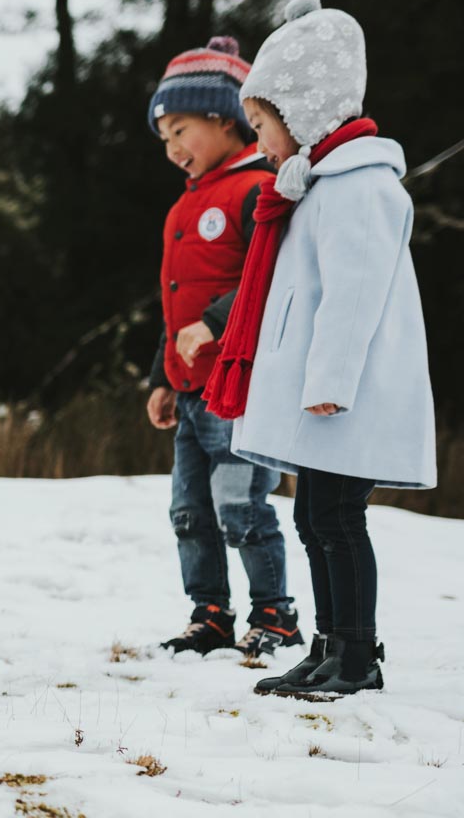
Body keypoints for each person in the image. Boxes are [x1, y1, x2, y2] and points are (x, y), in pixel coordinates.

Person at [203, 0, 437, 698]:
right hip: (320, 398)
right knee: (314, 515)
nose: (261, 141)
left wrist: (329, 379)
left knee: (337, 517)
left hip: (343, 394)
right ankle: (330, 645)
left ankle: (358, 655)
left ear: (304, 113)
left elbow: (353, 294)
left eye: (264, 124)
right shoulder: (314, 186)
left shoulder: (360, 188)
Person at [145, 36, 302, 657]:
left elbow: (268, 281)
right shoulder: (185, 206)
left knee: (240, 503)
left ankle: (274, 613)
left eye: (180, 129)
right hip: (188, 391)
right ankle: (209, 612)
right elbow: (175, 300)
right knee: (189, 509)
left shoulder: (257, 189)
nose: (172, 148)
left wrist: (213, 322)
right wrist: (161, 374)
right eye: (163, 138)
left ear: (224, 116)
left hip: (238, 391)